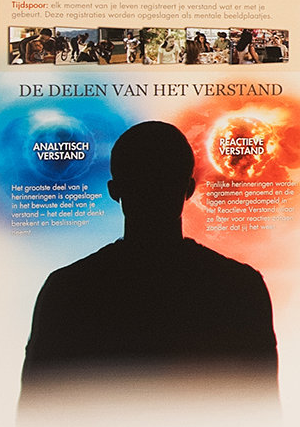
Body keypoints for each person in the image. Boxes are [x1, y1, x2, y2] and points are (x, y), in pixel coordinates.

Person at [18, 121, 278, 405]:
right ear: (189, 188)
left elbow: (35, 409)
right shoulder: (239, 288)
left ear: (114, 190)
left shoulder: (67, 289)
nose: (152, 189)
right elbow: (262, 409)